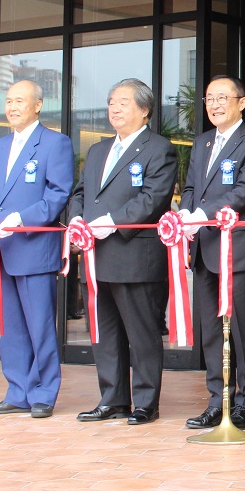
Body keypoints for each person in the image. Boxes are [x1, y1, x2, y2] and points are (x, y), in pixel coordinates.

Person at [68, 78, 177, 426]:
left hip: (135, 257)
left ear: (144, 110)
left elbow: (152, 199)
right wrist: (75, 221)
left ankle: (146, 402)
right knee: (105, 333)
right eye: (111, 102)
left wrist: (112, 222)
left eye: (123, 102)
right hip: (95, 256)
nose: (114, 108)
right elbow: (80, 193)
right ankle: (112, 398)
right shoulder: (98, 149)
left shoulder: (159, 148)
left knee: (142, 334)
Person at [178, 75, 245, 431]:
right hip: (204, 248)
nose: (215, 105)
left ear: (242, 102)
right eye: (209, 99)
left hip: (239, 251)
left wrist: (204, 214)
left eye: (222, 97)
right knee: (212, 332)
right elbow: (191, 187)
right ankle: (218, 401)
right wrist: (187, 214)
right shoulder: (201, 142)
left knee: (244, 332)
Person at [0, 80, 74, 418]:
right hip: (1, 250)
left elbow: (58, 195)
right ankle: (17, 390)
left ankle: (44, 392)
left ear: (38, 105)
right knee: (11, 327)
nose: (13, 106)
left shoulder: (54, 143)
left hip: (34, 248)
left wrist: (20, 218)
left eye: (20, 100)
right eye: (8, 101)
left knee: (40, 325)